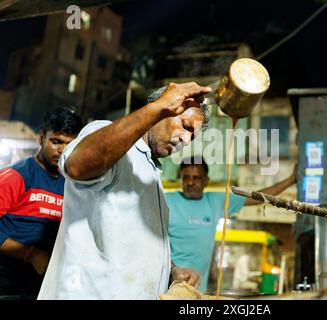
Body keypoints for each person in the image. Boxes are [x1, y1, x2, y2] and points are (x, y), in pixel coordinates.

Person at [37, 82, 212, 300]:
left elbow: (134, 243)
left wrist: (171, 270)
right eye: (185, 126)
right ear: (163, 109)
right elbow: (76, 166)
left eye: (192, 137)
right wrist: (157, 107)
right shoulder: (108, 137)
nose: (186, 140)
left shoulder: (151, 174)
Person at [166, 156, 296, 292]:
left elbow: (259, 197)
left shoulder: (216, 201)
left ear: (206, 181)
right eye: (186, 177)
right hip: (170, 286)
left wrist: (291, 180)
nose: (190, 182)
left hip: (198, 289)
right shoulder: (167, 201)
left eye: (196, 177)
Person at [0, 107, 84, 299]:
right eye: (56, 141)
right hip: (7, 287)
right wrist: (30, 254)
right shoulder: (17, 176)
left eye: (69, 144)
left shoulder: (71, 184)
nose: (62, 150)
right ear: (40, 138)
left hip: (45, 287)